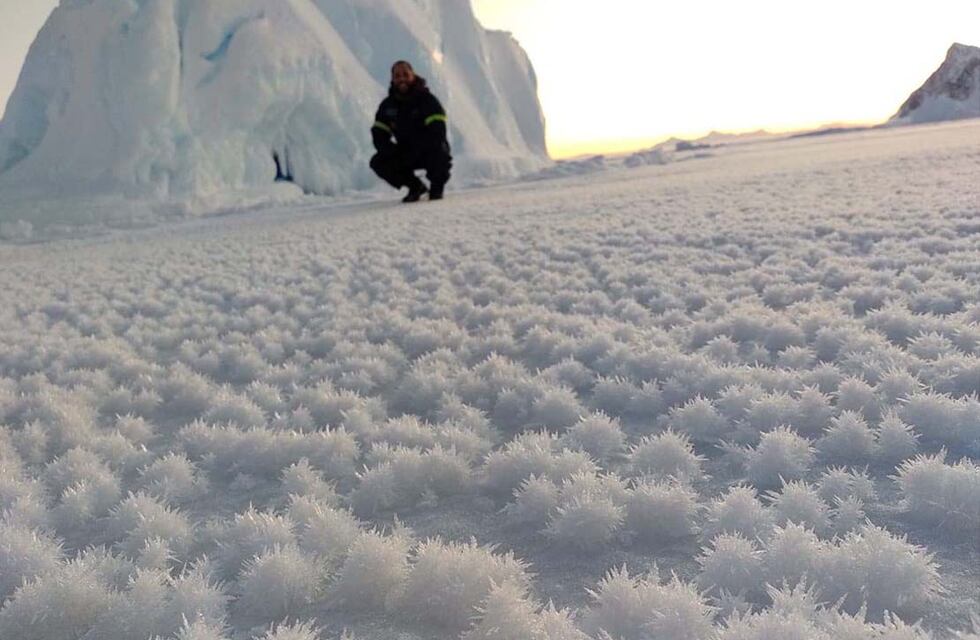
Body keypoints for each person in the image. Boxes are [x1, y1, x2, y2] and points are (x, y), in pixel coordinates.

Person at [370, 61, 453, 202]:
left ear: (413, 76)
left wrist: (420, 148)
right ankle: (416, 187)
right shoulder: (387, 106)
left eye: (405, 74)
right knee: (378, 161)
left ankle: (437, 188)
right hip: (406, 152)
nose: (401, 78)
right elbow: (379, 134)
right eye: (397, 76)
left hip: (429, 150)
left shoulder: (428, 100)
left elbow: (438, 132)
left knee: (439, 151)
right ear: (392, 79)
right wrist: (391, 150)